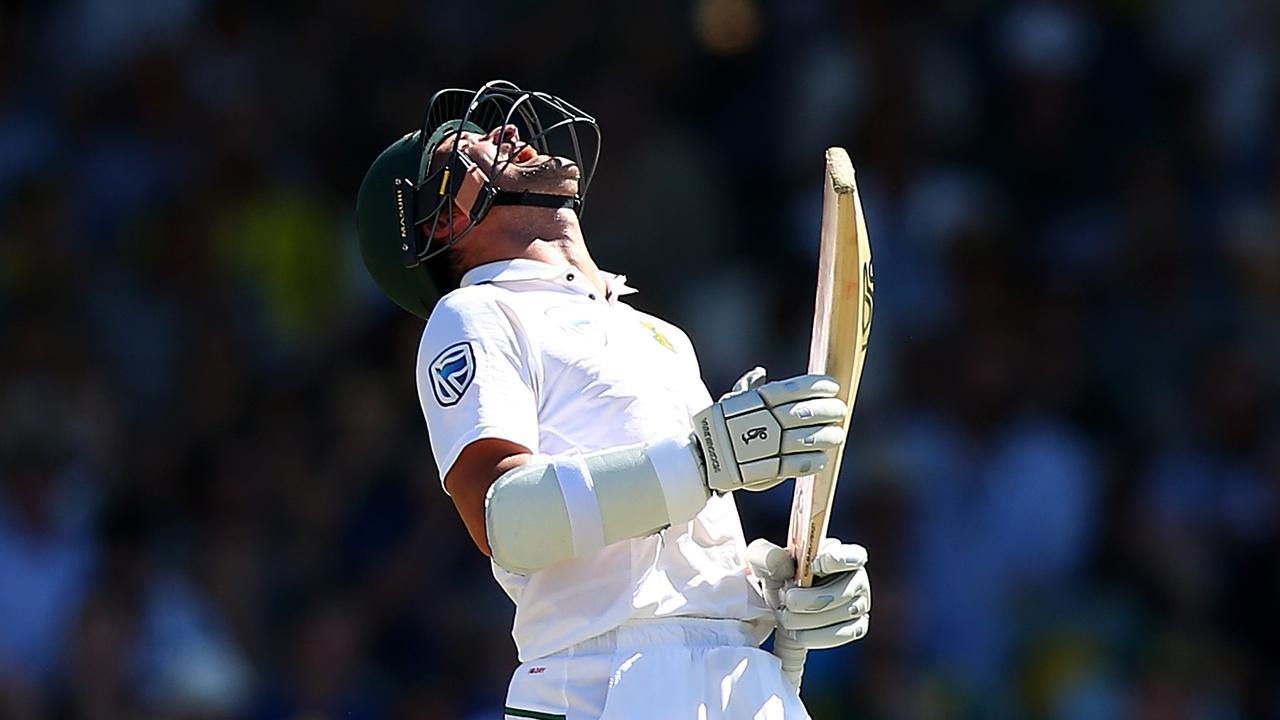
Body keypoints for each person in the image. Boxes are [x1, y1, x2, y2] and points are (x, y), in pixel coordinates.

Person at [355, 80, 871, 720]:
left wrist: (781, 587)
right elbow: (507, 520)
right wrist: (705, 463)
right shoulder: (477, 312)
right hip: (603, 680)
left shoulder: (660, 334)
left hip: (744, 676)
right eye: (472, 146)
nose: (510, 134)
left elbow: (670, 544)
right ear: (440, 223)